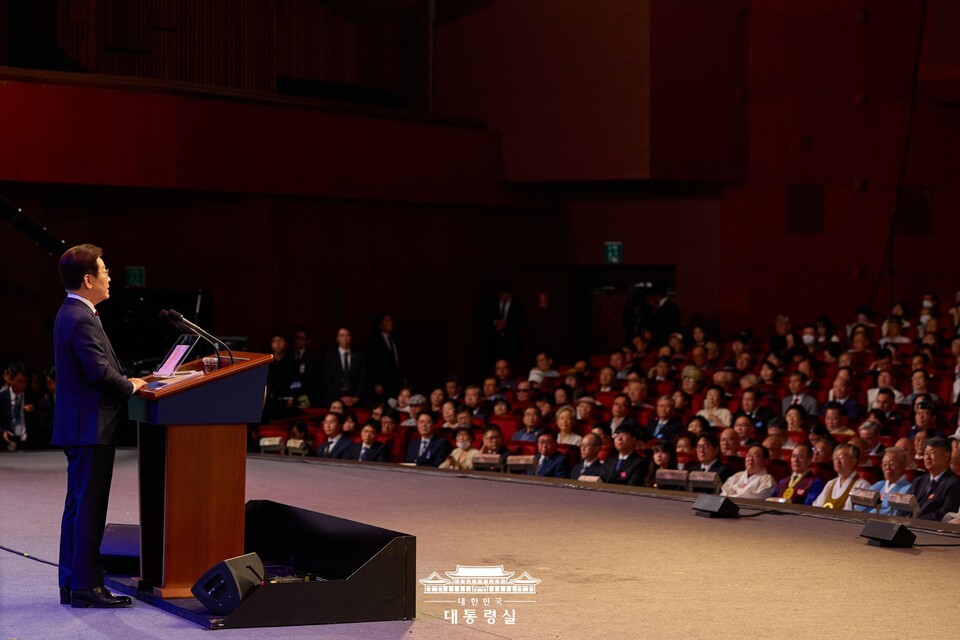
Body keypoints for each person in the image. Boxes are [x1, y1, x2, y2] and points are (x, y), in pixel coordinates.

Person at [53, 244, 146, 608]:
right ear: (88, 279)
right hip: (89, 426)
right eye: (104, 271)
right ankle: (87, 587)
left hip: (82, 425)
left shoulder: (72, 312)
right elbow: (99, 373)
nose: (109, 277)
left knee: (78, 507)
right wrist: (131, 386)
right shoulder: (79, 316)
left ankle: (72, 582)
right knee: (89, 509)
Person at [910, 437, 960, 520]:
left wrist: (917, 521)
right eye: (926, 453)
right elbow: (904, 505)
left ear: (947, 456)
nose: (927, 457)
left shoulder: (954, 483)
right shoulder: (918, 481)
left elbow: (946, 512)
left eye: (932, 453)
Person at [812, 443, 870, 510]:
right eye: (835, 457)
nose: (837, 461)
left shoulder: (863, 486)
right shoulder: (830, 483)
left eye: (841, 457)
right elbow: (817, 506)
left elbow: (859, 514)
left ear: (854, 461)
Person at [855, 447, 911, 515]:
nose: (887, 468)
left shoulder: (908, 488)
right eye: (884, 464)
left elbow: (895, 513)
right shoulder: (880, 484)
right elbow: (859, 505)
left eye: (892, 464)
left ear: (904, 465)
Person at [322, 327, 367, 407]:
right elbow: (327, 379)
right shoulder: (330, 357)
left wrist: (356, 396)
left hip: (355, 399)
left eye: (347, 336)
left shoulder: (359, 356)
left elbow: (363, 378)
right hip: (335, 399)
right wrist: (339, 397)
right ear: (337, 338)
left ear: (351, 338)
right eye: (342, 336)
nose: (345, 339)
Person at [366, 312, 404, 400]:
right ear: (380, 324)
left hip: (397, 378)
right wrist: (376, 382)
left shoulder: (395, 338)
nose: (390, 323)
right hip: (384, 380)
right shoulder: (374, 341)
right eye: (387, 321)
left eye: (390, 320)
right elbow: (372, 363)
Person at [1, 362, 37, 450]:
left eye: (25, 382)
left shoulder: (32, 398)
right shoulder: (2, 398)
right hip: (6, 443)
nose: (22, 385)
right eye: (19, 381)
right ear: (11, 380)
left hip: (27, 444)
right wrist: (2, 432)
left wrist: (32, 411)